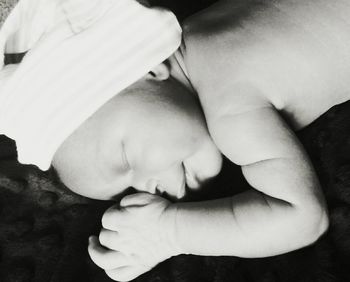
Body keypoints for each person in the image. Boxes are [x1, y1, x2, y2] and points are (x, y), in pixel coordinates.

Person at [3, 0, 350, 281]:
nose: (147, 187)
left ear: (150, 69)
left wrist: (170, 233)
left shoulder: (230, 108)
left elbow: (301, 217)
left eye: (124, 159)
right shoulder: (199, 29)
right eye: (127, 192)